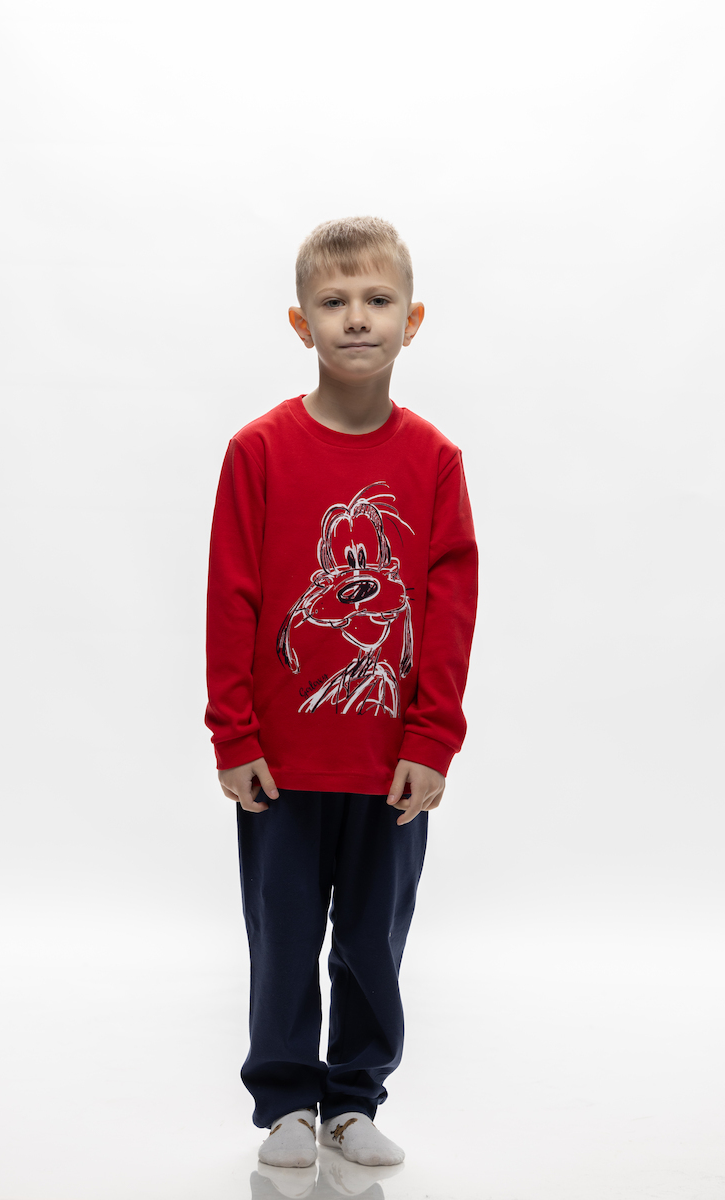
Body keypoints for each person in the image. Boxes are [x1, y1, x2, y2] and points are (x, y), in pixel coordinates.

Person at [204, 215, 479, 1169]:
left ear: (412, 321)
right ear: (301, 323)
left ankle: (353, 1099)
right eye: (333, 302)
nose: (356, 318)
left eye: (377, 300)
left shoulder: (435, 461)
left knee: (372, 937)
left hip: (389, 763)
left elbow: (449, 609)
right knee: (283, 934)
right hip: (279, 764)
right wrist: (234, 735)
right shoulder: (258, 451)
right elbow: (232, 597)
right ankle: (285, 1101)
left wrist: (432, 740)